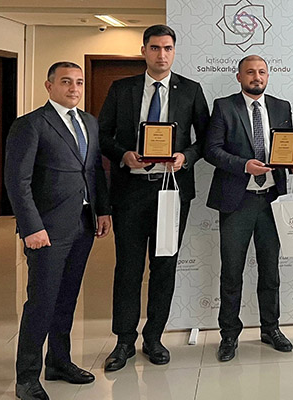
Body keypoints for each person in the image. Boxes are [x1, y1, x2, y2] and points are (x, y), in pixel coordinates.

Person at [98, 24, 210, 371]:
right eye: (155, 48)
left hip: (171, 191)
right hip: (131, 192)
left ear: (174, 51)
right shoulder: (122, 89)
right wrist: (123, 155)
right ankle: (124, 341)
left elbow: (206, 139)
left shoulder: (191, 90)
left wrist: (185, 157)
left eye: (168, 48)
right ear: (144, 50)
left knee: (164, 266)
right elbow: (102, 134)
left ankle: (154, 337)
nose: (162, 54)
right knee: (128, 268)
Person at [5, 61, 111, 400]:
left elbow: (93, 171)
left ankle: (59, 362)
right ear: (49, 86)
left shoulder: (89, 122)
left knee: (67, 298)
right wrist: (31, 227)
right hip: (46, 229)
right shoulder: (31, 124)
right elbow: (17, 182)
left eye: (79, 82)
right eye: (66, 82)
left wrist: (103, 210)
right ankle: (26, 377)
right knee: (42, 302)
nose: (74, 88)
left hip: (83, 223)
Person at [205, 55, 293, 362]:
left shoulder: (281, 107)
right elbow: (211, 150)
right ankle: (229, 335)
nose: (257, 77)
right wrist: (244, 166)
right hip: (237, 201)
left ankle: (270, 328)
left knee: (270, 270)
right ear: (239, 77)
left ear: (268, 76)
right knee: (231, 272)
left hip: (272, 200)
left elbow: (287, 147)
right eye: (250, 72)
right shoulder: (224, 106)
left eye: (262, 72)